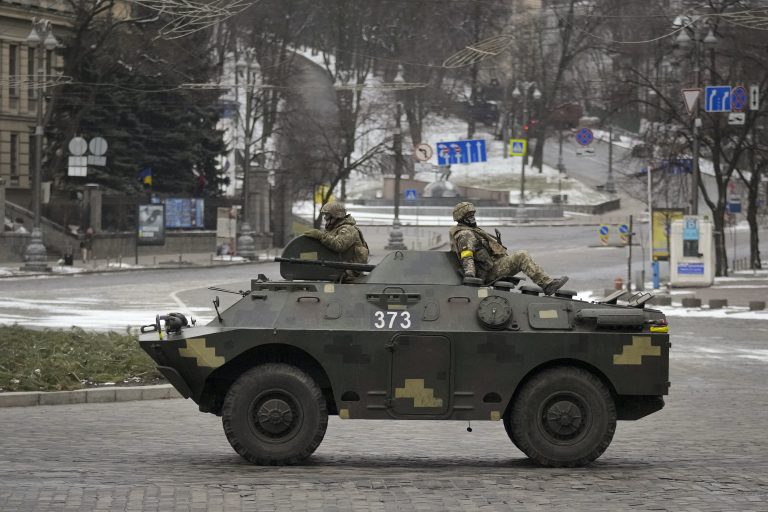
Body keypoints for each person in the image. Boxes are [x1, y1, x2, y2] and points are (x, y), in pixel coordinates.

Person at [449, 201, 569, 295]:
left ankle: (547, 283)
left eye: (473, 215)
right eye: (469, 215)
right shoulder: (465, 234)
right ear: (461, 218)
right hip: (488, 273)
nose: (472, 218)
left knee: (521, 255)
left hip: (491, 267)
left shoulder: (472, 231)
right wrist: (471, 276)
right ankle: (547, 285)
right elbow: (466, 255)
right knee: (522, 256)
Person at [304, 202, 369, 280]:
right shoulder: (335, 228)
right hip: (339, 268)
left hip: (349, 271)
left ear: (335, 216)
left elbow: (339, 245)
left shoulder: (348, 229)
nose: (325, 218)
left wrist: (320, 236)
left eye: (327, 216)